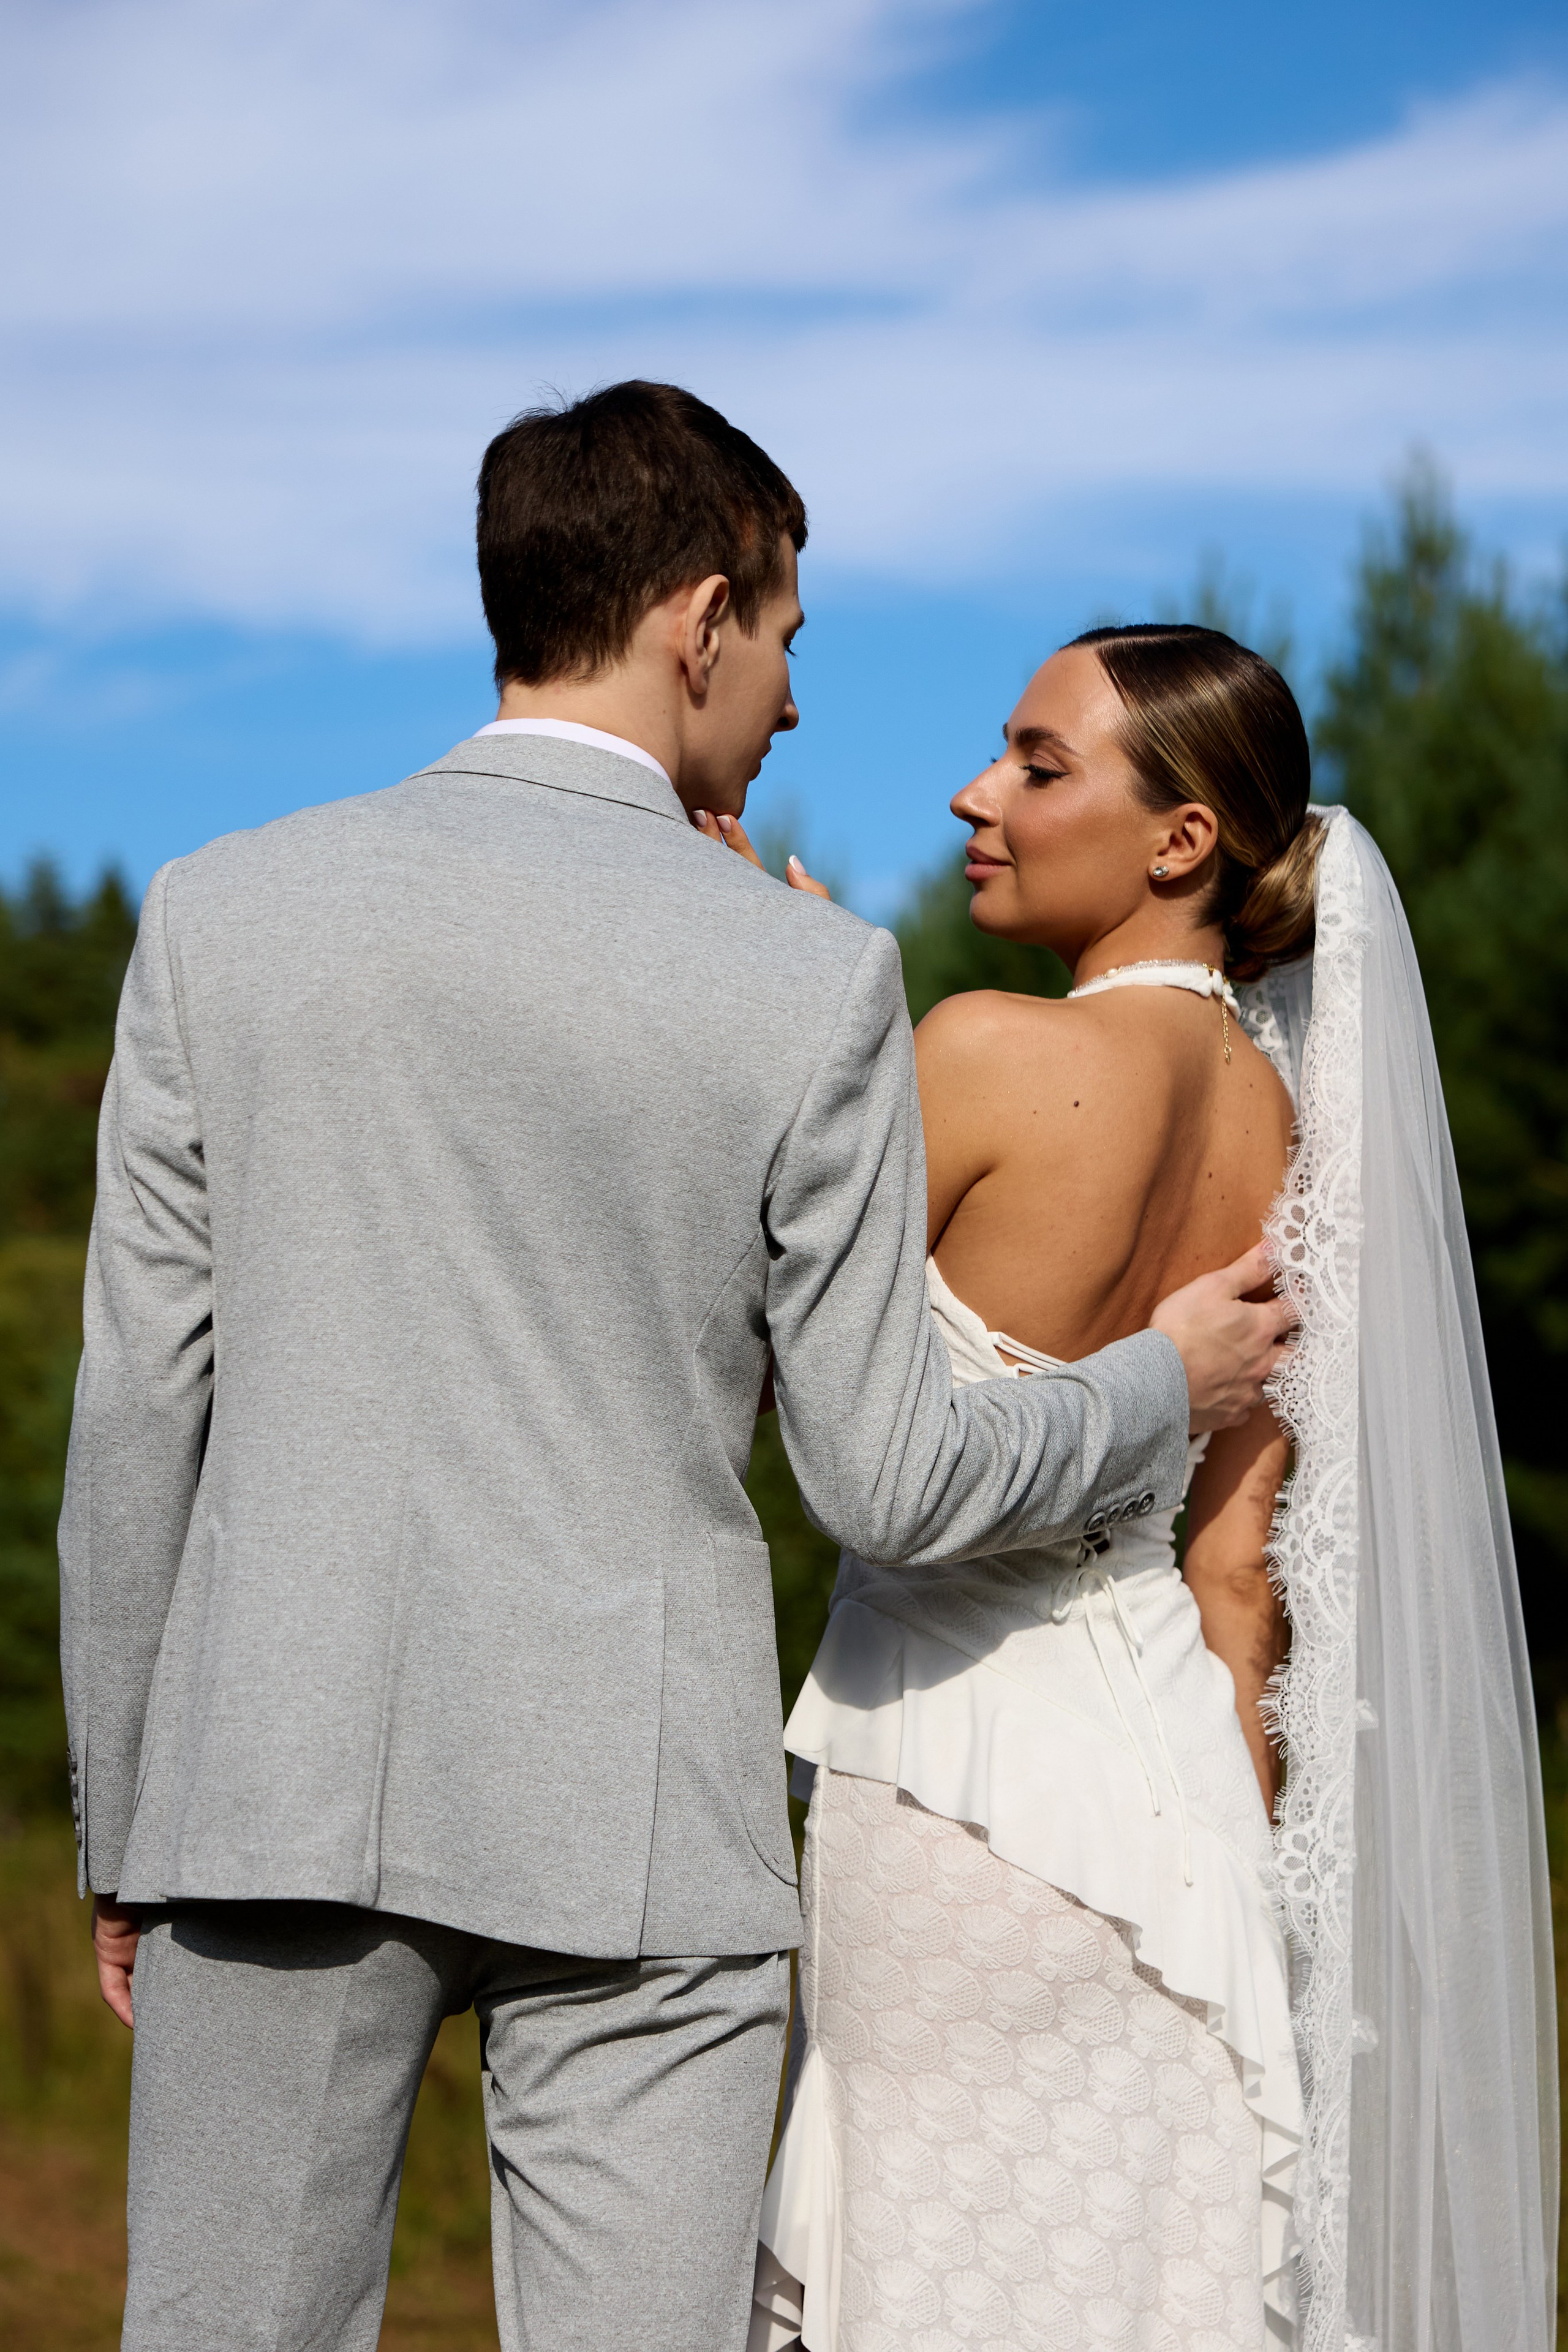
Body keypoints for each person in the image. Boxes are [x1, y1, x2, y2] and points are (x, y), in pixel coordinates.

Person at [60, 386, 1290, 2352]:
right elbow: (888, 1480)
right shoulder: (809, 978)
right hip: (646, 1833)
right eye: (788, 634)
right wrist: (1162, 1385)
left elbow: (139, 1410)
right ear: (703, 620)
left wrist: (129, 1822)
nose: (794, 699)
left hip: (266, 1789)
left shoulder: (223, 914)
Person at [741, 626, 1557, 2351]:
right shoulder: (1289, 1130)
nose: (976, 795)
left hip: (950, 1795)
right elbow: (1237, 1578)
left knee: (933, 2269)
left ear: (1182, 839)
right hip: (1184, 1818)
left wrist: (804, 1031)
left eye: (1038, 765)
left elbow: (770, 1363)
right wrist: (1242, 1880)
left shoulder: (973, 1053)